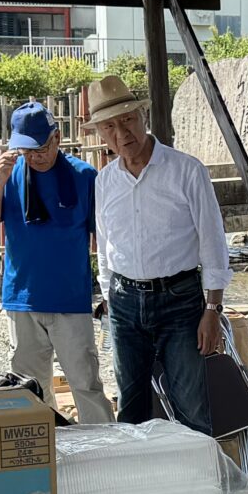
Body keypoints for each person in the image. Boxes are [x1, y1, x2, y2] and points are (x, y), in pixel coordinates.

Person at [84, 71, 230, 429]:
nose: (122, 134)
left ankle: (198, 483)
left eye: (128, 120)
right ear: (101, 134)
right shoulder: (104, 181)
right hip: (123, 302)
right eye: (110, 127)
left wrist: (212, 308)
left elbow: (213, 242)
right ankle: (140, 483)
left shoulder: (186, 171)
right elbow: (105, 246)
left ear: (143, 116)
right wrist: (108, 297)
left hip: (180, 299)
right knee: (130, 406)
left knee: (192, 405)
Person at [0, 101, 112, 423]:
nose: (35, 157)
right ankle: (43, 449)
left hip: (70, 299)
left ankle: (107, 448)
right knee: (28, 389)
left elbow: (106, 237)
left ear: (57, 138)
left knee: (85, 382)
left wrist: (109, 291)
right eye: (26, 150)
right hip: (22, 298)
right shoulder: (9, 175)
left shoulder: (84, 176)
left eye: (40, 148)